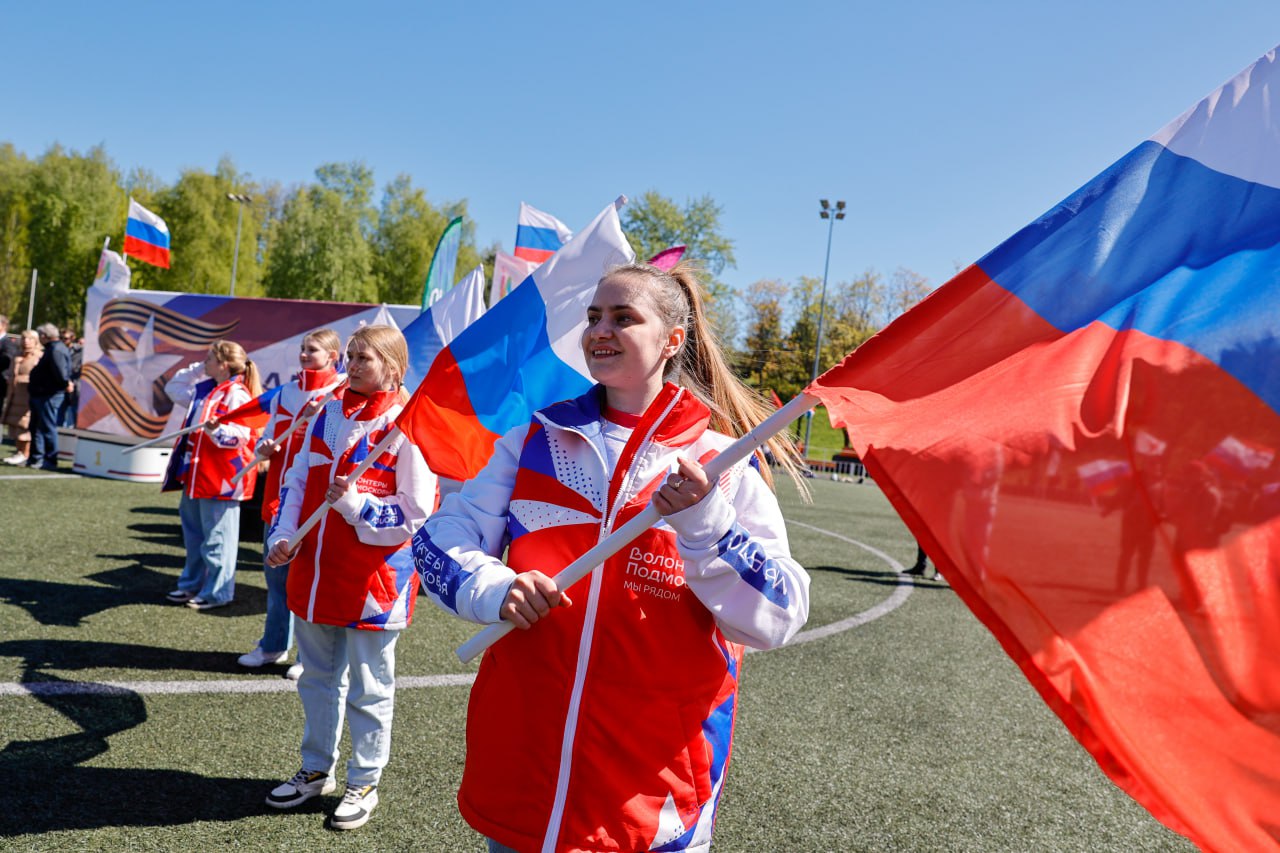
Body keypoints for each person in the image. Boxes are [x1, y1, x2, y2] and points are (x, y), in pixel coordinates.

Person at [415, 261, 811, 853]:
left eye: (624, 318)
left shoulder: (720, 465)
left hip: (653, 797)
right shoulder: (532, 440)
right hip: (524, 772)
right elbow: (439, 537)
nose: (600, 329)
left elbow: (779, 615)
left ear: (672, 340)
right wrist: (494, 588)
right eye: (594, 316)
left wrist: (707, 525)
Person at [263, 325, 436, 832]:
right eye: (352, 356)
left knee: (369, 687)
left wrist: (356, 504)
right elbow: (298, 479)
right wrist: (284, 532)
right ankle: (316, 768)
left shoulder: (409, 424)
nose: (353, 365)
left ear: (394, 368)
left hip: (373, 584)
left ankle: (365, 780)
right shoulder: (328, 411)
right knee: (316, 680)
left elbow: (416, 512)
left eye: (364, 358)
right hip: (314, 573)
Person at [235, 329, 343, 677]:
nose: (305, 355)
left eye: (313, 350)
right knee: (276, 578)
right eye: (302, 348)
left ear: (332, 356)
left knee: (307, 580)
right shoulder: (287, 392)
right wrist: (263, 448)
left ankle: (306, 656)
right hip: (278, 499)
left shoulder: (338, 395)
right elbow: (267, 434)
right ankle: (273, 645)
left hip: (314, 501)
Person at [162, 341, 262, 610]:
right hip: (196, 476)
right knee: (194, 536)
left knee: (218, 539)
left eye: (208, 359)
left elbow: (243, 438)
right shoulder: (208, 389)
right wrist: (196, 369)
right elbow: (173, 388)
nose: (204, 363)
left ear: (223, 364)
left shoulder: (237, 394)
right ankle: (191, 584)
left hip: (222, 480)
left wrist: (215, 431)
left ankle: (218, 592)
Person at [26, 323, 72, 470]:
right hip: (43, 394)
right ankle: (36, 458)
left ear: (44, 336)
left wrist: (65, 383)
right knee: (37, 427)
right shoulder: (53, 348)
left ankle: (50, 459)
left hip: (49, 395)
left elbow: (61, 373)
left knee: (47, 427)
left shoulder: (56, 350)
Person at [2, 330, 41, 465]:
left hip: (28, 396)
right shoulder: (17, 356)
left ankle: (25, 453)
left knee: (25, 425)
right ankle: (19, 451)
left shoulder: (38, 357)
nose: (26, 341)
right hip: (14, 395)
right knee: (14, 424)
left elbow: (38, 376)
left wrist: (23, 379)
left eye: (29, 339)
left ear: (35, 341)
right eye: (24, 338)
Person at [58, 328, 83, 428]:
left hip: (75, 387)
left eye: (66, 338)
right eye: (61, 338)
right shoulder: (58, 350)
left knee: (74, 414)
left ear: (72, 338)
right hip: (61, 386)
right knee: (59, 416)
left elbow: (76, 369)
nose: (63, 340)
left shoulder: (80, 351)